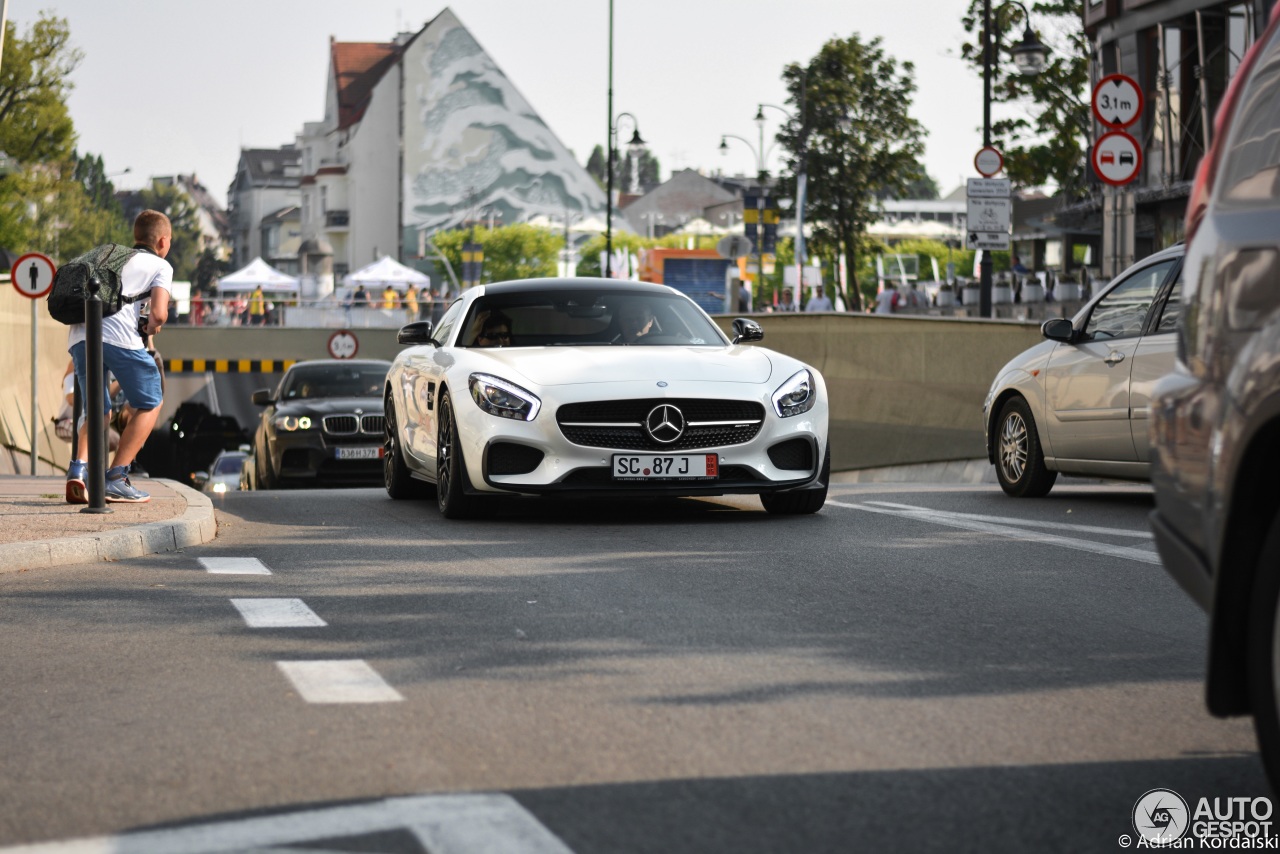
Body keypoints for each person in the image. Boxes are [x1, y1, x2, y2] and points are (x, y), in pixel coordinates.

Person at [65, 209, 173, 504]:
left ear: (136, 236)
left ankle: (79, 469)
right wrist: (153, 325)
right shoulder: (160, 265)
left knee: (98, 410)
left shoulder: (111, 254)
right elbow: (160, 312)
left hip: (79, 336)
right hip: (117, 337)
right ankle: (116, 476)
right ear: (163, 241)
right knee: (151, 402)